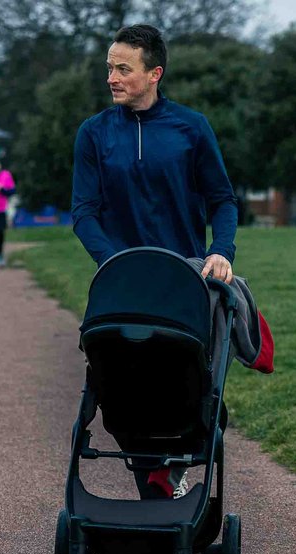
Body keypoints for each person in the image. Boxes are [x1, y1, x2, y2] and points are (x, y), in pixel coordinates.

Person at [71, 24, 239, 499]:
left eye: (124, 68)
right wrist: (117, 263)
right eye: (109, 67)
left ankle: (170, 470)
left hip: (184, 280)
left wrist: (220, 251)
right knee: (116, 384)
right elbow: (84, 212)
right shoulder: (94, 134)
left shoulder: (191, 127)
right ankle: (156, 476)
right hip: (121, 281)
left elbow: (222, 199)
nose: (112, 77)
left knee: (192, 381)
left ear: (154, 73)